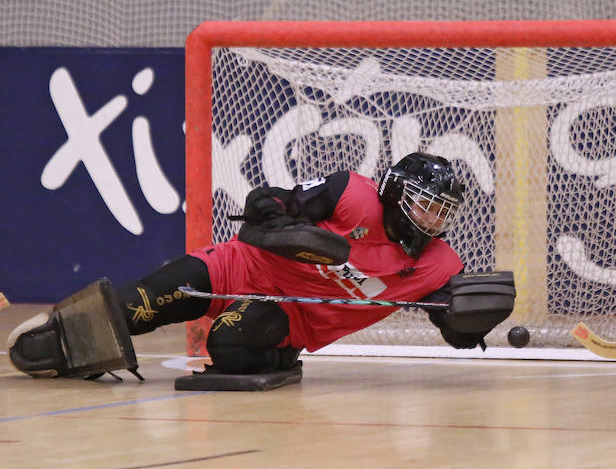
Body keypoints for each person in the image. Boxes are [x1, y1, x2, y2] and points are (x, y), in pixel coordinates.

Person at [8, 152, 515, 384]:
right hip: (237, 265)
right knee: (133, 308)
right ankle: (61, 344)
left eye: (444, 210)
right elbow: (268, 199)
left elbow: (454, 331)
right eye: (427, 203)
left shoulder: (439, 265)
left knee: (227, 348)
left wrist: (469, 324)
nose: (435, 218)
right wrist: (274, 217)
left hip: (291, 315)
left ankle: (280, 360)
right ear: (397, 192)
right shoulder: (350, 195)